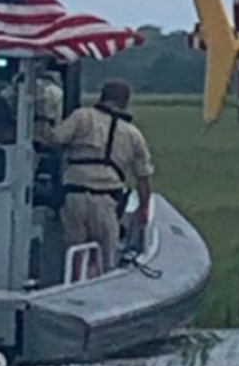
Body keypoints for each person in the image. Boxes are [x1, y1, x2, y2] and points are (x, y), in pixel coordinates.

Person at [38, 80, 154, 273]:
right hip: (107, 200)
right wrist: (143, 208)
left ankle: (76, 280)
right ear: (125, 102)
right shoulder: (133, 134)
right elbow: (144, 177)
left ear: (102, 97)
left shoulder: (81, 117)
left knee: (75, 252)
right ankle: (97, 281)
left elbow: (55, 139)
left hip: (74, 195)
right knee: (104, 257)